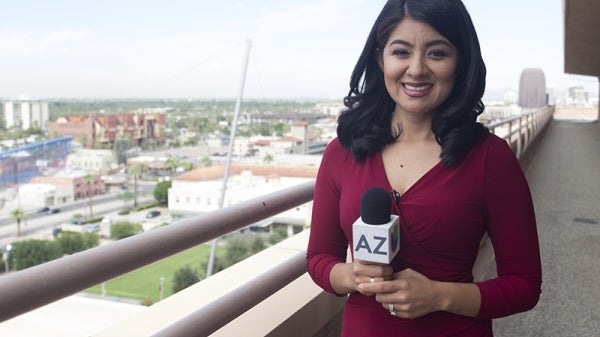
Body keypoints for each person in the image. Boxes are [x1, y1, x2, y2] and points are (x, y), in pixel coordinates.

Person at [305, 0, 542, 336]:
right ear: (379, 57)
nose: (416, 69)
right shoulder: (341, 152)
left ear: (461, 61)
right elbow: (318, 258)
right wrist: (351, 276)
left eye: (437, 53)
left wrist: (439, 296)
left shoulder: (491, 158)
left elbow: (525, 285)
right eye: (401, 52)